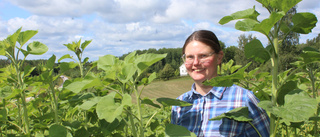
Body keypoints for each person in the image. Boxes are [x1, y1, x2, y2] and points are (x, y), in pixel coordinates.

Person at [171, 30, 270, 137]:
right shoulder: (179, 105)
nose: (195, 63)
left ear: (219, 57)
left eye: (203, 56)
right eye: (190, 57)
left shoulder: (243, 99)